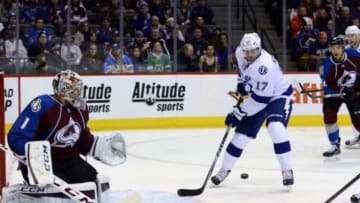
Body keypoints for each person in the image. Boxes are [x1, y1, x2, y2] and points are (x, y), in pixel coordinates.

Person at [7, 69, 126, 201]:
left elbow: (82, 138)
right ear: (63, 89)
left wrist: (98, 146)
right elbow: (16, 136)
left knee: (92, 180)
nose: (78, 93)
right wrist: (33, 154)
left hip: (69, 160)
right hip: (43, 164)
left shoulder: (80, 109)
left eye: (79, 89)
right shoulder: (44, 104)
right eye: (74, 89)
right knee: (60, 194)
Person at [211, 33, 294, 187]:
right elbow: (242, 74)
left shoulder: (265, 66)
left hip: (278, 95)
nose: (249, 55)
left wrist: (238, 112)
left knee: (275, 128)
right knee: (240, 137)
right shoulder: (239, 52)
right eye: (247, 51)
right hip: (258, 97)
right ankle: (224, 170)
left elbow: (261, 100)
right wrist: (241, 85)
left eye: (253, 51)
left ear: (259, 48)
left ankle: (287, 170)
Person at [319, 36, 360, 157]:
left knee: (358, 117)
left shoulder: (354, 56)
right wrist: (342, 90)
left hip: (354, 92)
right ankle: (334, 145)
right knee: (329, 117)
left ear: (343, 49)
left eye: (338, 48)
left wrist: (356, 89)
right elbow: (327, 85)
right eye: (333, 48)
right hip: (335, 93)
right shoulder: (326, 64)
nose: (336, 51)